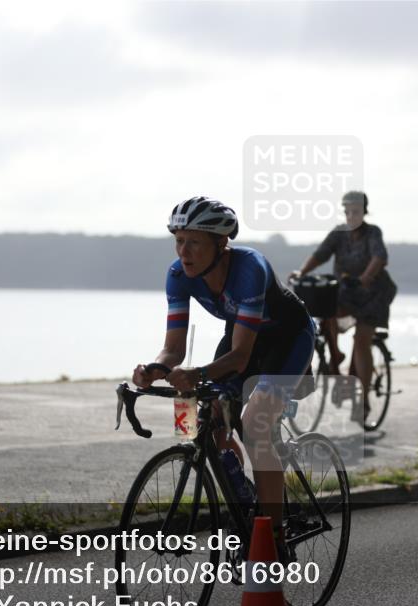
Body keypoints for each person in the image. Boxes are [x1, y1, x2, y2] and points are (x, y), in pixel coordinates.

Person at [132, 195, 314, 557]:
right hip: (239, 338)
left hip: (286, 340)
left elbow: (242, 358)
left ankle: (274, 537)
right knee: (201, 423)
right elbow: (173, 349)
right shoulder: (178, 275)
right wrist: (154, 369)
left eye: (194, 242)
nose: (184, 252)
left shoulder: (249, 268)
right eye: (179, 241)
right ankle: (242, 498)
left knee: (256, 424)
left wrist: (197, 373)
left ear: (221, 244)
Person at [291, 191, 397, 423]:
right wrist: (301, 272)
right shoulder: (338, 233)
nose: (351, 216)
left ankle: (363, 401)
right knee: (325, 309)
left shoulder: (372, 232)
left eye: (355, 212)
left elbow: (379, 258)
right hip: (347, 292)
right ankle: (336, 354)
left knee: (361, 341)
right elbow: (320, 255)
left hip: (374, 294)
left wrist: (366, 277)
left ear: (364, 212)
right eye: (347, 212)